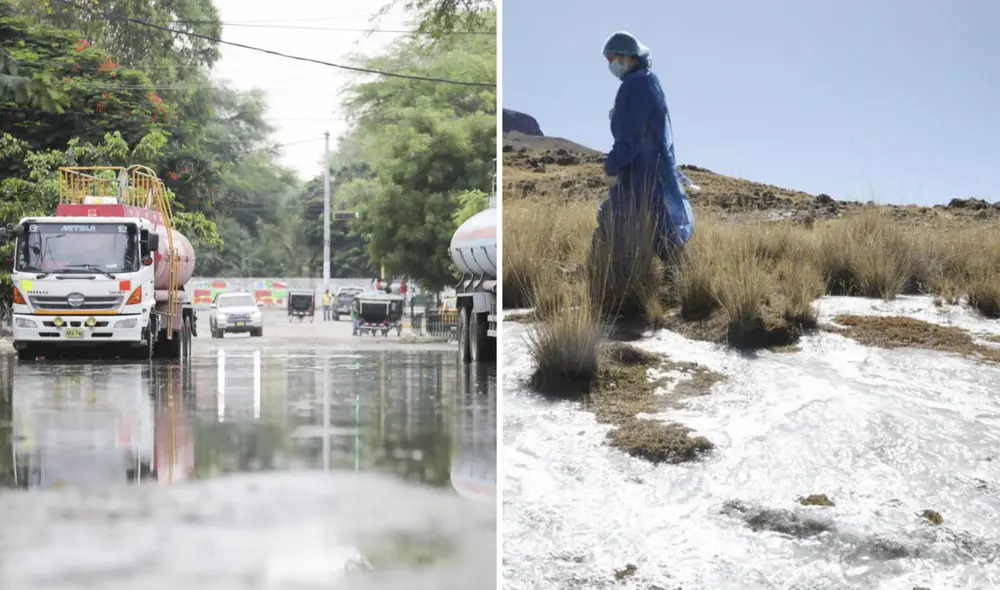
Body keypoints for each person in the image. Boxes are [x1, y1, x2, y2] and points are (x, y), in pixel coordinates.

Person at [595, 30, 697, 270]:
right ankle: (681, 283)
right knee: (660, 229)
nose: (611, 65)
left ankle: (612, 282)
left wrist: (613, 166)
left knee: (621, 224)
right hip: (651, 171)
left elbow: (631, 135)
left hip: (640, 174)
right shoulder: (647, 82)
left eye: (613, 59)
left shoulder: (635, 85)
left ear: (629, 56)